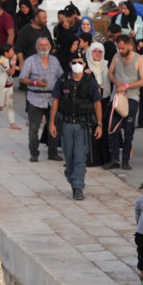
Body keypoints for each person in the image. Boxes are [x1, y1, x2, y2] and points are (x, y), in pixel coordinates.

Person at [49, 53, 103, 200]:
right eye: (74, 62)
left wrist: (99, 124)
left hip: (82, 125)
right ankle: (73, 179)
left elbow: (97, 103)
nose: (77, 65)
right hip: (66, 124)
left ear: (85, 64)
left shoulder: (90, 81)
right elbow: (55, 101)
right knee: (69, 157)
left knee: (80, 156)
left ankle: (78, 186)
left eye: (80, 62)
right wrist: (51, 123)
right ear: (69, 64)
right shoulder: (63, 80)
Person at [18, 37, 63, 161]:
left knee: (53, 125)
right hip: (35, 98)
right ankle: (34, 152)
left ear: (50, 46)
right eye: (41, 45)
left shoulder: (54, 60)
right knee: (34, 127)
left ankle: (52, 153)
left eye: (46, 45)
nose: (44, 47)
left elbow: (61, 76)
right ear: (36, 47)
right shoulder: (30, 61)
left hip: (52, 99)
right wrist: (35, 82)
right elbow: (22, 78)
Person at [107, 33, 143, 169]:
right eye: (119, 48)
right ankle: (114, 159)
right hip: (117, 97)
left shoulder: (138, 59)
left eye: (123, 48)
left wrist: (127, 86)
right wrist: (117, 83)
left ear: (129, 45)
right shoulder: (116, 57)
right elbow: (110, 73)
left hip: (131, 98)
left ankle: (125, 161)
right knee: (113, 129)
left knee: (128, 130)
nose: (121, 51)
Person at [0, 42, 20, 130]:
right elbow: (11, 71)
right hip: (1, 86)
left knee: (10, 105)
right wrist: (14, 61)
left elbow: (16, 68)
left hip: (9, 85)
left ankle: (12, 123)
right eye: (11, 51)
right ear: (6, 53)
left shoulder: (9, 60)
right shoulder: (1, 61)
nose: (13, 53)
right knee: (0, 106)